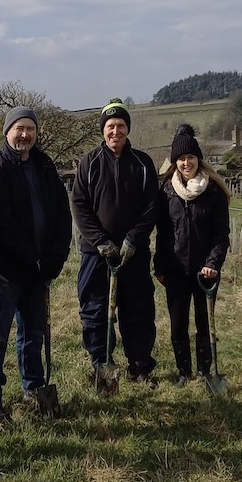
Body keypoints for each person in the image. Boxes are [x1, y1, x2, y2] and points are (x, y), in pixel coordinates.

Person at [0, 106, 72, 426]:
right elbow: (1, 225)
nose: (25, 134)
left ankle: (33, 389)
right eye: (19, 128)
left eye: (30, 128)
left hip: (39, 271)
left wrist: (55, 258)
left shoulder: (45, 166)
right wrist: (32, 258)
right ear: (7, 132)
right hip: (6, 271)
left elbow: (62, 215)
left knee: (33, 334)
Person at [71, 98, 160, 384]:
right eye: (110, 126)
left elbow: (151, 207)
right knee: (95, 312)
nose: (115, 131)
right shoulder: (89, 162)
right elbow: (80, 205)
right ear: (103, 130)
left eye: (120, 125)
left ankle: (140, 366)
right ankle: (101, 363)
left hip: (133, 254)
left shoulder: (143, 163)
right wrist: (99, 241)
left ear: (127, 129)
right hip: (96, 255)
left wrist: (133, 240)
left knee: (138, 310)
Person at [153, 124, 231, 387]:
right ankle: (183, 371)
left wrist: (212, 264)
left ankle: (205, 371)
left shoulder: (213, 192)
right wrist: (160, 265)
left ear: (199, 160)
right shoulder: (166, 192)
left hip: (204, 273)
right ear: (175, 162)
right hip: (175, 270)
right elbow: (162, 233)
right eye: (181, 159)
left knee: (204, 323)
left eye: (191, 158)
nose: (186, 163)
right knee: (177, 326)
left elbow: (221, 234)